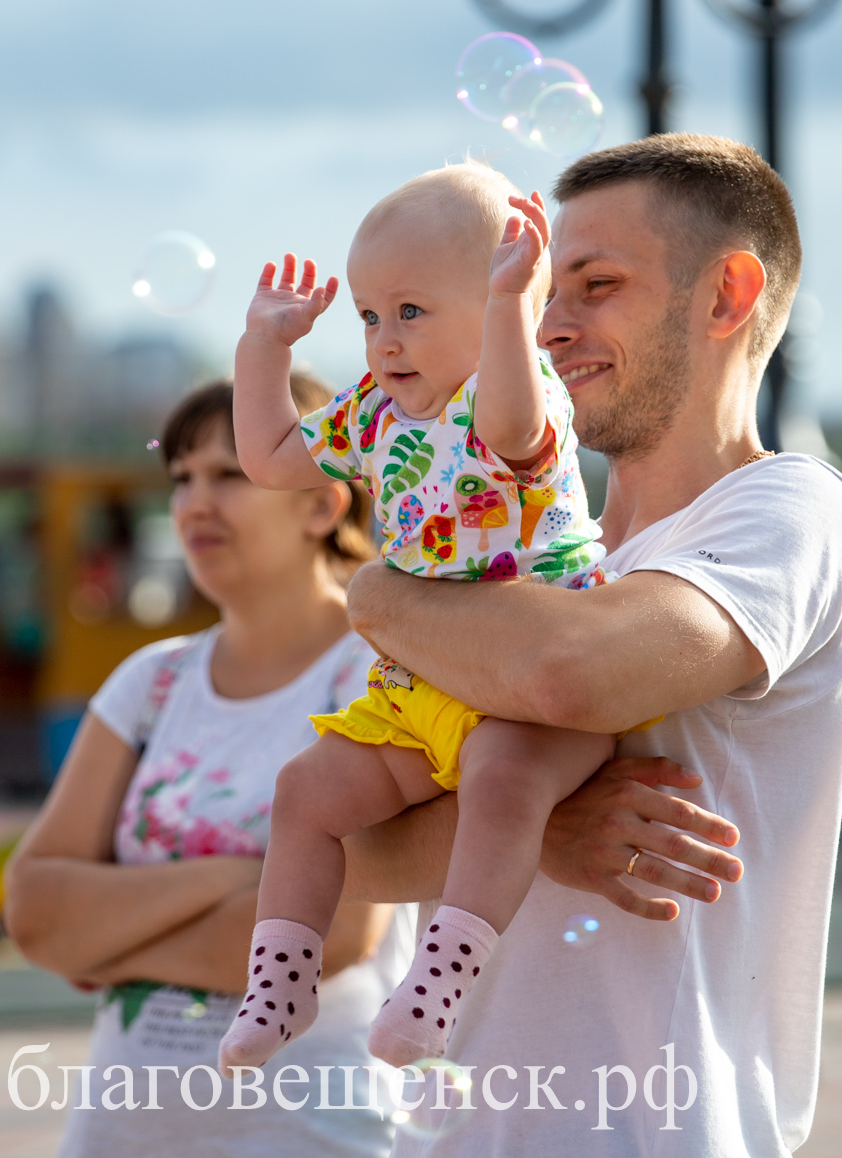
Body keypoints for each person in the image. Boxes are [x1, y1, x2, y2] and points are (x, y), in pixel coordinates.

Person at [340, 134, 842, 1155]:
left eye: (594, 286)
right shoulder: (514, 555)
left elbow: (573, 670)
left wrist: (375, 591)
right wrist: (533, 835)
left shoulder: (790, 509)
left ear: (726, 294)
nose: (546, 326)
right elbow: (349, 846)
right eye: (545, 286)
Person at [222, 164, 632, 1071]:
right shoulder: (376, 412)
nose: (384, 340)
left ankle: (440, 984)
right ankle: (279, 983)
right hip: (417, 690)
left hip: (527, 686)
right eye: (369, 316)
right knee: (304, 792)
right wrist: (263, 350)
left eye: (411, 312)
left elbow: (514, 426)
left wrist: (508, 309)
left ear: (498, 303)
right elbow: (274, 457)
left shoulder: (516, 396)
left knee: (502, 782)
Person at [5, 374, 407, 1156]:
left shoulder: (380, 672)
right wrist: (238, 883)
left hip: (312, 1130)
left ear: (323, 503)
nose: (194, 501)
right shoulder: (149, 680)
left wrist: (105, 936)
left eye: (230, 473)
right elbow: (33, 909)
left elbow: (335, 932)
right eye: (182, 478)